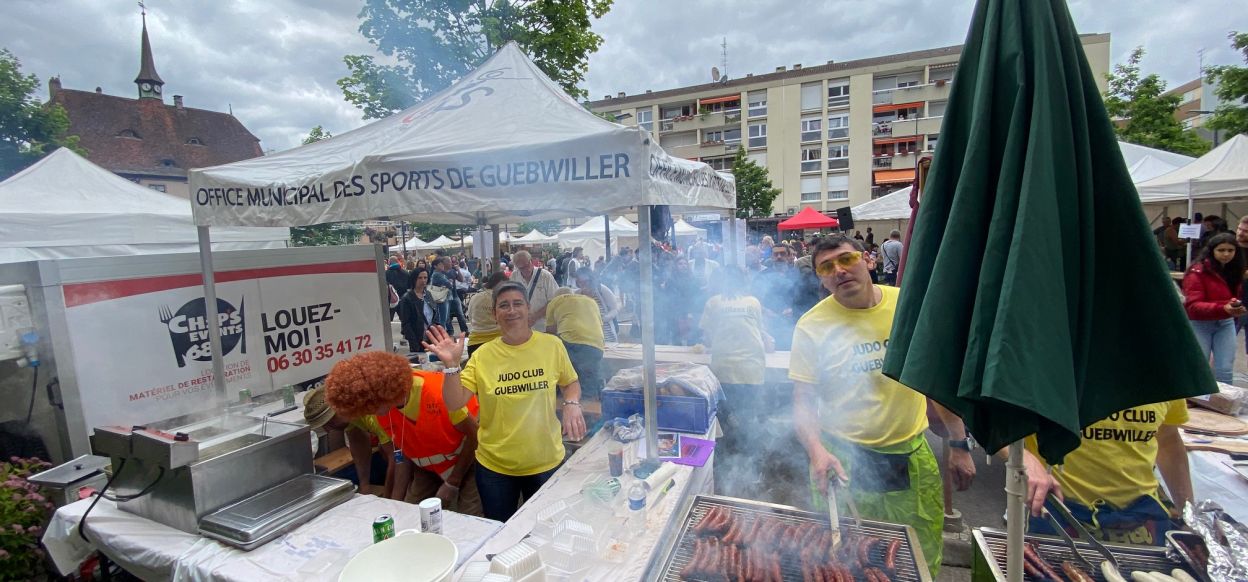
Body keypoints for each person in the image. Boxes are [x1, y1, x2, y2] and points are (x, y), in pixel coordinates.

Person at [790, 235, 974, 578]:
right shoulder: (811, 326)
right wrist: (815, 450)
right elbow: (803, 404)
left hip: (910, 457)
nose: (840, 271)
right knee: (843, 557)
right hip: (843, 459)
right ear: (820, 278)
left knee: (917, 554)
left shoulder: (907, 307)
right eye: (827, 267)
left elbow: (935, 381)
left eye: (847, 259)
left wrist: (959, 442)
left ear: (868, 260)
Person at [427, 282, 586, 521]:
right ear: (495, 314)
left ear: (528, 309)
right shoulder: (482, 355)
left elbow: (570, 382)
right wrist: (451, 367)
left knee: (545, 530)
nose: (511, 310)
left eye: (517, 303)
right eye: (504, 305)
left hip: (546, 461)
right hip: (496, 468)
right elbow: (454, 402)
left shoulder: (551, 345)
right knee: (500, 531)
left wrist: (572, 404)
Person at [1016, 399, 1193, 545]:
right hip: (1063, 512)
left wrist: (1188, 515)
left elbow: (1168, 439)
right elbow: (996, 421)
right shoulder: (1050, 362)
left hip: (1140, 518)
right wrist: (1024, 457)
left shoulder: (1165, 366)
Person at [323, 351, 481, 513]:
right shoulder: (381, 409)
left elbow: (475, 436)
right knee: (407, 514)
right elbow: (401, 455)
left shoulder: (438, 394)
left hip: (469, 461)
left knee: (471, 514)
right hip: (427, 469)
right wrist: (395, 504)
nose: (368, 413)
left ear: (381, 394)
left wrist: (453, 482)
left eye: (370, 407)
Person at [303, 386, 396, 496]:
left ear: (339, 409)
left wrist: (390, 496)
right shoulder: (348, 414)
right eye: (324, 426)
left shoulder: (372, 412)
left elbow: (395, 457)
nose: (328, 430)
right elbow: (359, 444)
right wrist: (364, 485)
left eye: (330, 422)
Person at [1182, 232, 1246, 383]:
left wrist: (1236, 307)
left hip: (1225, 323)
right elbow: (1192, 306)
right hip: (1199, 324)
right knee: (1200, 367)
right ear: (1212, 251)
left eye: (1231, 250)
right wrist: (1224, 308)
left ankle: (1223, 404)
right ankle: (1195, 402)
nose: (1226, 254)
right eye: (1221, 250)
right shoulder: (1196, 272)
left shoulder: (1235, 270)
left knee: (1225, 368)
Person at [546, 287, 607, 398]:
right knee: (589, 379)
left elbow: (550, 332)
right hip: (596, 344)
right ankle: (590, 408)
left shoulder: (555, 301)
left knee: (567, 377)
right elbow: (599, 325)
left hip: (570, 341)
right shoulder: (591, 301)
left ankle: (566, 406)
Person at [753, 243, 799, 350]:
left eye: (782, 254)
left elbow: (803, 299)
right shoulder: (762, 276)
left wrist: (793, 309)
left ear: (788, 256)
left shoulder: (797, 275)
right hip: (769, 325)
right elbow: (754, 299)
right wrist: (764, 311)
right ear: (772, 257)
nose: (779, 257)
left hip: (791, 325)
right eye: (776, 254)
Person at [509, 250, 559, 331]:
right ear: (517, 267)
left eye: (528, 264)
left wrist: (535, 316)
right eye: (522, 267)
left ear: (531, 261)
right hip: (522, 326)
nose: (527, 269)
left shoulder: (545, 276)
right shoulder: (514, 276)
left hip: (543, 326)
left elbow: (554, 301)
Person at [574, 267, 619, 344]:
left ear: (591, 280)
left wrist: (604, 318)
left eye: (585, 282)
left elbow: (615, 309)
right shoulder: (577, 294)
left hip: (605, 331)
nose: (582, 285)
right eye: (579, 282)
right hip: (587, 335)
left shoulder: (602, 289)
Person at [466, 272, 506, 359]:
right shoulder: (501, 299)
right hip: (497, 341)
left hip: (474, 342)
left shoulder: (475, 297)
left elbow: (470, 317)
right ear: (500, 283)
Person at [399, 269, 439, 353]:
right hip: (417, 338)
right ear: (414, 279)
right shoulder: (407, 298)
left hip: (431, 337)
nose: (423, 280)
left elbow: (435, 315)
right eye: (420, 278)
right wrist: (413, 343)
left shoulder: (428, 294)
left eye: (425, 277)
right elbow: (406, 323)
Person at [385, 256, 410, 320]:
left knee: (388, 320)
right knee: (404, 319)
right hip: (403, 298)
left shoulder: (386, 273)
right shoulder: (405, 272)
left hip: (391, 299)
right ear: (397, 262)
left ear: (389, 263)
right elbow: (409, 286)